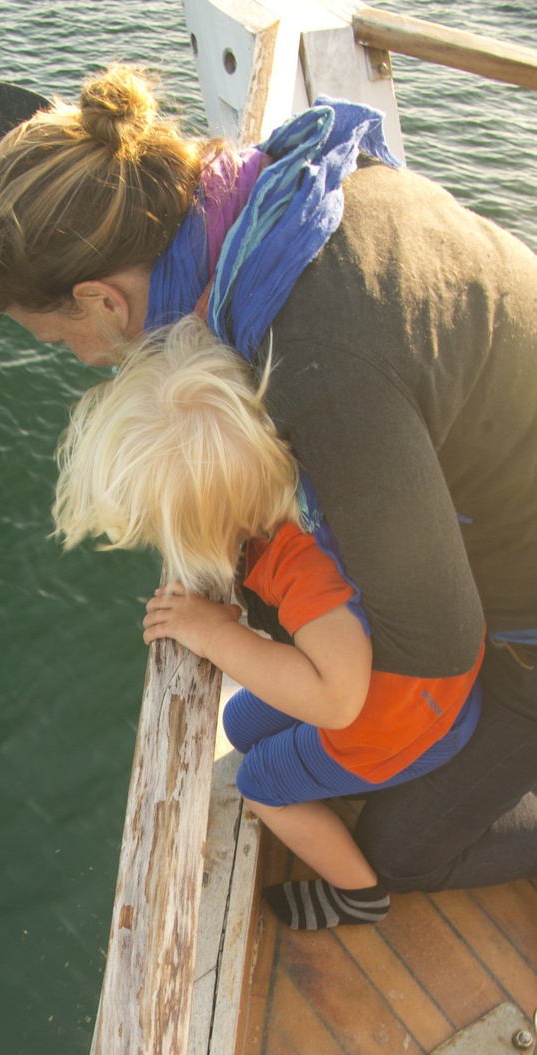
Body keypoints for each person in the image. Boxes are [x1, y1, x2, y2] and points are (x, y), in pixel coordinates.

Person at [0, 64, 537, 894]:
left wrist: (268, 642)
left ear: (102, 302)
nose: (84, 360)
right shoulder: (275, 202)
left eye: (58, 339)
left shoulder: (317, 371)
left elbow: (434, 645)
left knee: (404, 854)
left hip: (515, 634)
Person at [52, 315, 483, 928]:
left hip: (409, 715)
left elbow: (336, 700)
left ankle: (358, 895)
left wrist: (212, 632)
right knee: (239, 719)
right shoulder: (285, 493)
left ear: (213, 529)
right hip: (413, 680)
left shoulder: (302, 567)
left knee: (259, 783)